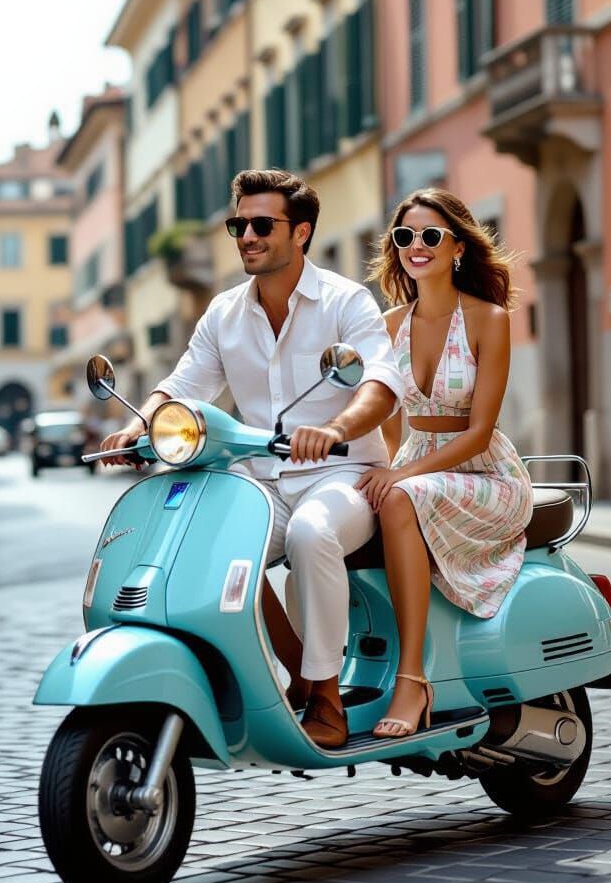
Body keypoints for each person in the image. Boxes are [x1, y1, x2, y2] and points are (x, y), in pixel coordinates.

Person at [100, 169, 404, 748]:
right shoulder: (223, 314)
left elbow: (381, 383)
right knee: (206, 549)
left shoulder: (346, 301)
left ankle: (327, 699)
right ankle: (293, 673)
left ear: (302, 232)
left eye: (262, 224)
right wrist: (137, 423)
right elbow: (185, 382)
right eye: (237, 225)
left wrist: (335, 427)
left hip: (342, 475)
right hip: (261, 479)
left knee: (313, 535)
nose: (246, 235)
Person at [356, 188, 534, 739]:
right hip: (417, 463)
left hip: (484, 472)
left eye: (430, 235)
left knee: (401, 494)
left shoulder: (489, 318)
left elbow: (480, 430)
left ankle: (413, 680)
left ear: (457, 246)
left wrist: (401, 476)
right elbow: (386, 420)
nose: (416, 246)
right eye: (404, 236)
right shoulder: (387, 325)